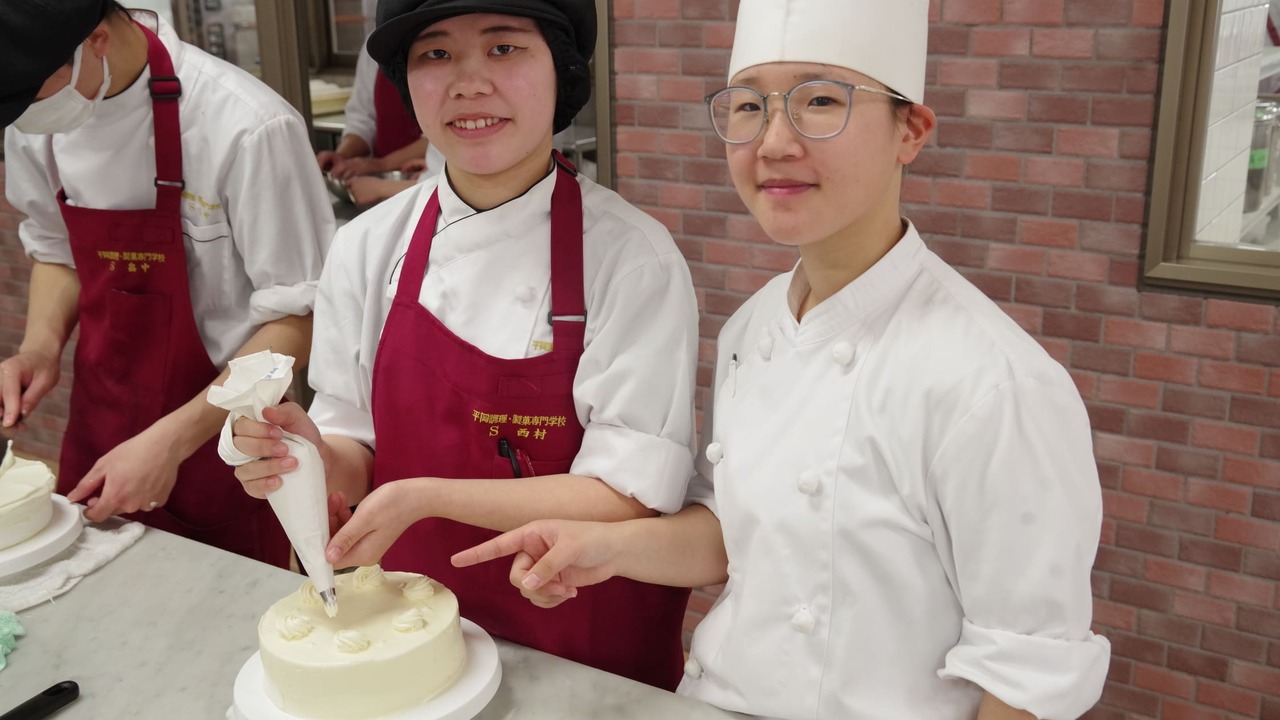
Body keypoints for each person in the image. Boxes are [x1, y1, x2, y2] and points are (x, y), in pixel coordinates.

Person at [452, 0, 1113, 717]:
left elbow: (1025, 672)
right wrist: (605, 549)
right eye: (748, 107)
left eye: (820, 101)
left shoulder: (994, 384)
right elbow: (734, 533)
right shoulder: (753, 325)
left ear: (911, 131)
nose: (772, 143)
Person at [227, 0, 699, 690]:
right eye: (436, 54)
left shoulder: (632, 258)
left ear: (562, 71)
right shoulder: (366, 246)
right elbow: (355, 446)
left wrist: (422, 497)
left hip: (580, 645)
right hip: (408, 638)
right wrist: (311, 459)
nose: (469, 83)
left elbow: (628, 495)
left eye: (505, 48)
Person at [1, 0, 334, 568]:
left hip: (226, 440)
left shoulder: (245, 124)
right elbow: (57, 250)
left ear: (96, 40)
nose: (24, 116)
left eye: (31, 96)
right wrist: (39, 348)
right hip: (103, 417)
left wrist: (171, 442)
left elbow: (299, 319)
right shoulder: (38, 122)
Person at [317, 42, 445, 206]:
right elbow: (362, 119)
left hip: (417, 183)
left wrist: (381, 168)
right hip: (392, 184)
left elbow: (439, 133)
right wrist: (343, 159)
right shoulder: (373, 43)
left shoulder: (438, 46)